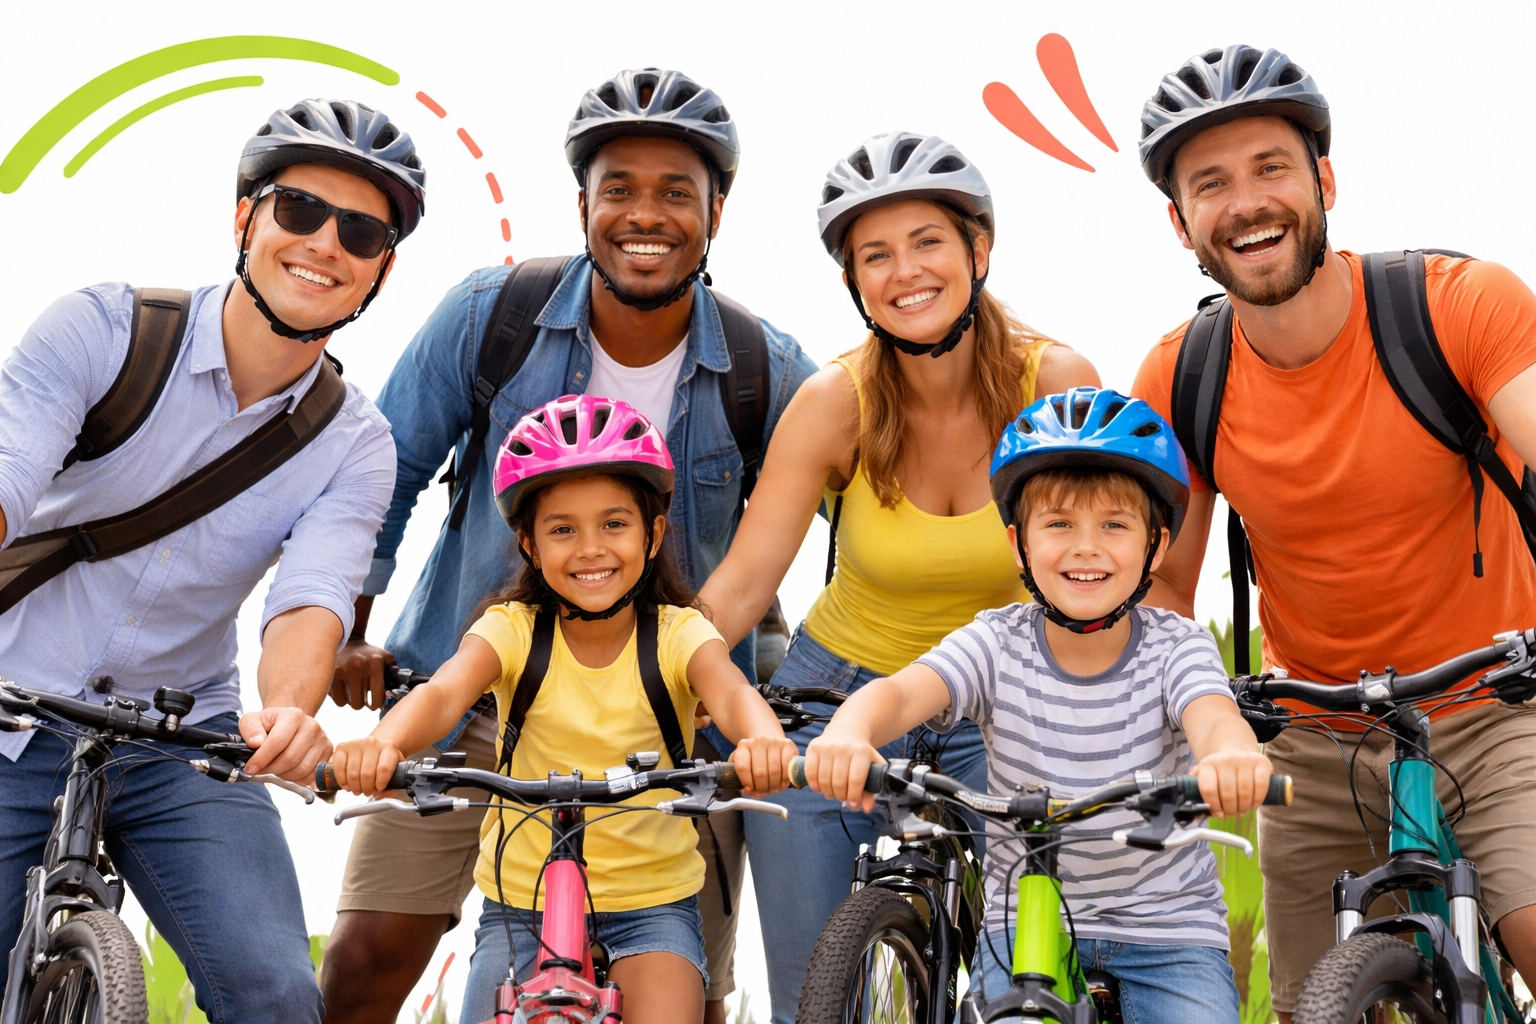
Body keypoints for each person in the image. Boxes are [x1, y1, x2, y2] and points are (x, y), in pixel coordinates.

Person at [320, 68, 817, 1024]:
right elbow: (381, 478)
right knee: (370, 950)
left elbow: (847, 512)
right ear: (582, 203)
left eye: (677, 191)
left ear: (717, 210)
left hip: (678, 711)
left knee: (681, 988)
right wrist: (351, 627)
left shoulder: (766, 369)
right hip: (477, 680)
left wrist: (777, 722)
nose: (647, 214)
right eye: (619, 187)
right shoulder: (492, 318)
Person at [1130, 44, 1536, 1017]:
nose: (1247, 203)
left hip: (1497, 703)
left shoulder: (1458, 305)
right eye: (1211, 184)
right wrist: (1205, 721)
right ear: (1182, 223)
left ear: (1325, 181)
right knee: (1310, 1000)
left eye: (1271, 167)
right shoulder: (1182, 376)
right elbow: (1161, 592)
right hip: (1313, 734)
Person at [0, 98, 424, 1022]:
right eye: (300, 210)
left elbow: (309, 599)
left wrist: (287, 715)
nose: (324, 243)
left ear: (380, 270)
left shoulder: (358, 444)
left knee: (275, 992)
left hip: (178, 743)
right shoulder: (104, 332)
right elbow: (8, 476)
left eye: (361, 232)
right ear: (246, 217)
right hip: (9, 710)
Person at [696, 131, 1100, 1022]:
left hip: (1001, 703)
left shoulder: (1054, 381)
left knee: (1017, 986)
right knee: (816, 993)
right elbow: (743, 582)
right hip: (834, 698)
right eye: (874, 254)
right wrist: (652, 670)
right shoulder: (835, 401)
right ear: (852, 279)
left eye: (927, 242)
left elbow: (1102, 570)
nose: (903, 271)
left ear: (977, 251)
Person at [805, 387, 1273, 1022]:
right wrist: (850, 731)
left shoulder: (1176, 646)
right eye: (1058, 524)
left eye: (1114, 524)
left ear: (1156, 549)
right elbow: (902, 690)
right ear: (1017, 543)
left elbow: (1214, 718)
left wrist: (1232, 757)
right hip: (1024, 917)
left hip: (1169, 930)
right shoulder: (996, 643)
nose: (1086, 547)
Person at [329, 396, 799, 1024]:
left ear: (652, 533)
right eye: (562, 529)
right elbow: (443, 693)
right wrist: (383, 743)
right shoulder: (513, 629)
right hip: (522, 905)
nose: (589, 550)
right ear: (528, 544)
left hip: (652, 903)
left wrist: (763, 741)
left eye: (614, 524)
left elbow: (733, 695)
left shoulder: (679, 633)